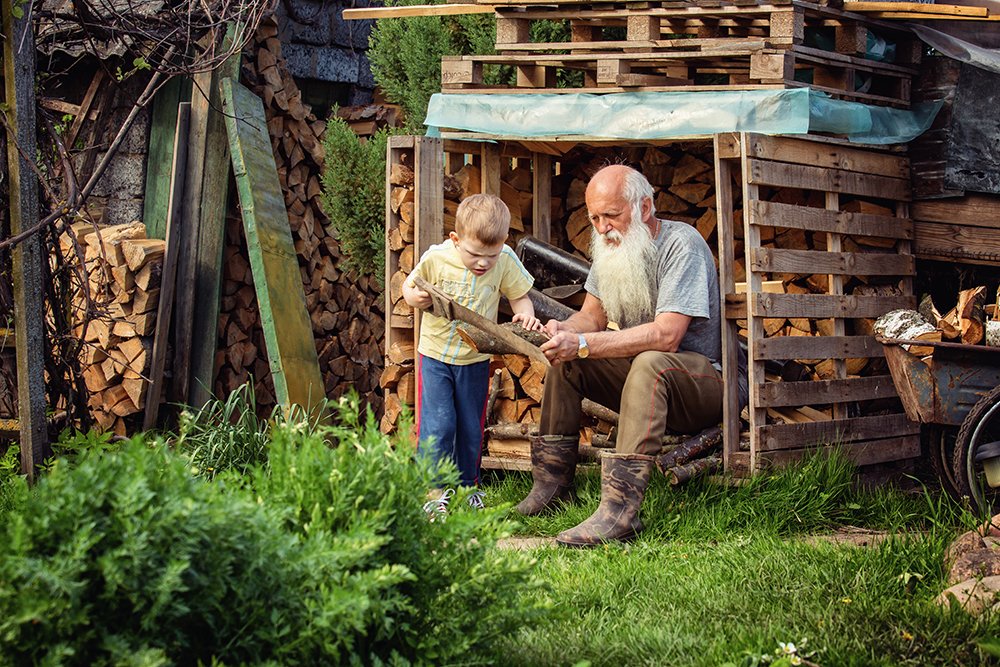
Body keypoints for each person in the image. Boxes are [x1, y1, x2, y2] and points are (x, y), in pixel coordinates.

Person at [515, 164, 748, 547]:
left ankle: (620, 511)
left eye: (612, 215)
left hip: (708, 386)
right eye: (594, 218)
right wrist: (566, 331)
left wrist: (586, 344)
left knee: (650, 361)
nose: (603, 227)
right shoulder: (612, 249)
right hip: (652, 380)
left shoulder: (682, 244)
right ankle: (552, 486)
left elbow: (667, 336)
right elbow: (592, 316)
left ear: (643, 207)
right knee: (568, 364)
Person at [403, 193, 543, 518]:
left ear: (504, 243)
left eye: (490, 256)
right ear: (456, 239)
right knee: (439, 425)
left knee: (469, 426)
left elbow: (521, 298)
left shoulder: (505, 259)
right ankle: (433, 491)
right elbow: (408, 289)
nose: (483, 263)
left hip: (475, 360)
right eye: (475, 255)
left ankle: (467, 487)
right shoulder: (437, 257)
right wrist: (418, 297)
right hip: (435, 356)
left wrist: (525, 315)